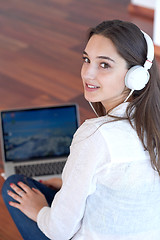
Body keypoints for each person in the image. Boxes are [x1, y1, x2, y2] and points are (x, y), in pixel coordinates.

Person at [2, 19, 160, 240]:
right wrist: (69, 183)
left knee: (12, 186)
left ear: (136, 76)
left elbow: (59, 232)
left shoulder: (96, 136)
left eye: (104, 65)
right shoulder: (155, 124)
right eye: (86, 60)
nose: (87, 74)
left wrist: (38, 210)